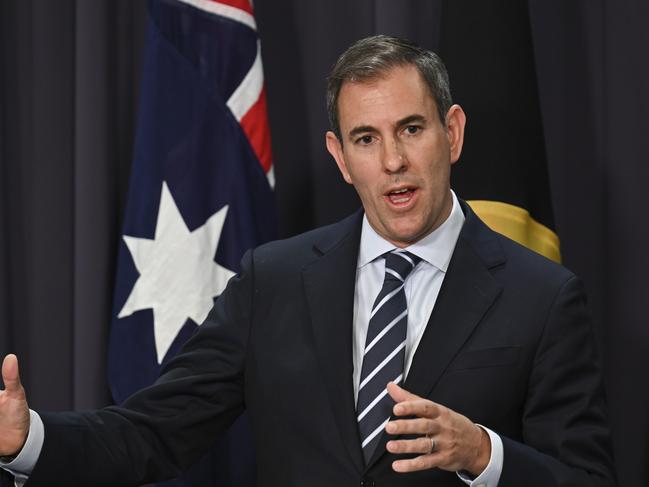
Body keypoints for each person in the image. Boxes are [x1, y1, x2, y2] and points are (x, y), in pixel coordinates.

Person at [0, 35, 615, 486]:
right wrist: (30, 441)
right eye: (366, 139)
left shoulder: (543, 296)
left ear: (451, 133)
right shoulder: (273, 282)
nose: (393, 161)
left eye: (411, 129)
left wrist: (485, 454)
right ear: (341, 157)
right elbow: (151, 433)